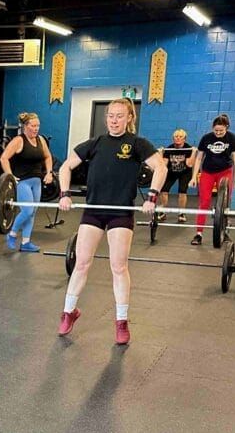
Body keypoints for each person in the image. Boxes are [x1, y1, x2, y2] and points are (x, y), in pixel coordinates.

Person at [57, 98, 166, 345]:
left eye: (119, 116)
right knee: (81, 263)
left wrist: (152, 196)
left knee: (118, 266)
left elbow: (160, 167)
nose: (114, 120)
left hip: (120, 211)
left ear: (129, 118)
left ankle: (121, 321)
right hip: (94, 210)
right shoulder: (95, 143)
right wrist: (64, 193)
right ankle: (68, 312)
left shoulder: (137, 144)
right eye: (110, 116)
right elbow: (65, 167)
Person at [0, 112, 55, 252]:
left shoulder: (41, 140)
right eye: (33, 126)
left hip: (37, 181)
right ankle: (12, 234)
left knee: (33, 212)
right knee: (27, 210)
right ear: (25, 126)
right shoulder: (19, 140)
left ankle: (25, 243)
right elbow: (4, 158)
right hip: (22, 181)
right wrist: (10, 176)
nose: (36, 129)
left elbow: (48, 157)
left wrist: (49, 173)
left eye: (38, 126)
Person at [188, 114, 235, 245]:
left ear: (226, 128)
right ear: (212, 128)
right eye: (216, 130)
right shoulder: (206, 138)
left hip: (225, 172)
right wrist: (194, 177)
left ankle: (225, 231)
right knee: (204, 201)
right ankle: (198, 234)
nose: (218, 133)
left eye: (221, 131)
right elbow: (199, 158)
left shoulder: (232, 138)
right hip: (207, 172)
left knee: (225, 202)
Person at [158, 128, 195, 222]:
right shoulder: (169, 148)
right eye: (176, 136)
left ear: (184, 139)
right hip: (171, 171)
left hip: (185, 172)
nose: (178, 138)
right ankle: (162, 212)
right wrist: (160, 154)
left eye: (180, 137)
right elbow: (164, 164)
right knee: (164, 190)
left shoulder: (188, 148)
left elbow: (189, 164)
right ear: (173, 138)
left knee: (182, 191)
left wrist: (194, 152)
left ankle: (181, 213)